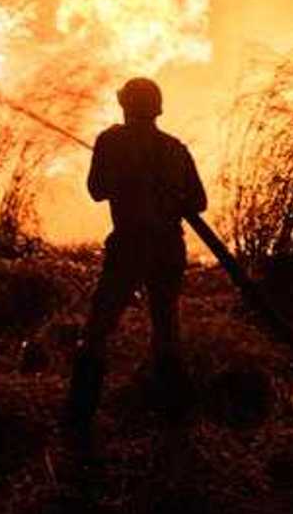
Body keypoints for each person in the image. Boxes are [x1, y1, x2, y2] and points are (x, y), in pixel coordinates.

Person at [67, 77, 207, 426]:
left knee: (98, 328)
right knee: (166, 328)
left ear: (126, 105)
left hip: (129, 246)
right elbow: (199, 202)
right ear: (156, 109)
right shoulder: (176, 148)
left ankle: (79, 416)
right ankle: (175, 415)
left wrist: (122, 175)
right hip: (169, 248)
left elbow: (96, 191)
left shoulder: (111, 141)